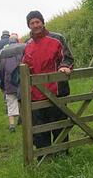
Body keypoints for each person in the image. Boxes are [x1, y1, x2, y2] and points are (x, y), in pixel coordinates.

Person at [21, 10, 73, 152]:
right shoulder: (27, 45)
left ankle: (62, 156)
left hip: (56, 92)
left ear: (43, 22)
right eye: (32, 23)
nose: (35, 25)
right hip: (36, 94)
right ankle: (44, 157)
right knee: (39, 130)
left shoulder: (57, 39)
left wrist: (64, 67)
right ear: (29, 26)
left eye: (37, 21)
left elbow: (67, 58)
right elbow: (24, 66)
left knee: (59, 126)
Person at [0, 34, 23, 132]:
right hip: (21, 82)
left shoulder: (4, 54)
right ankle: (22, 118)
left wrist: (2, 85)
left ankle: (12, 125)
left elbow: (1, 70)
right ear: (17, 41)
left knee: (10, 103)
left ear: (9, 42)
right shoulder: (22, 51)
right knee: (22, 101)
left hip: (9, 83)